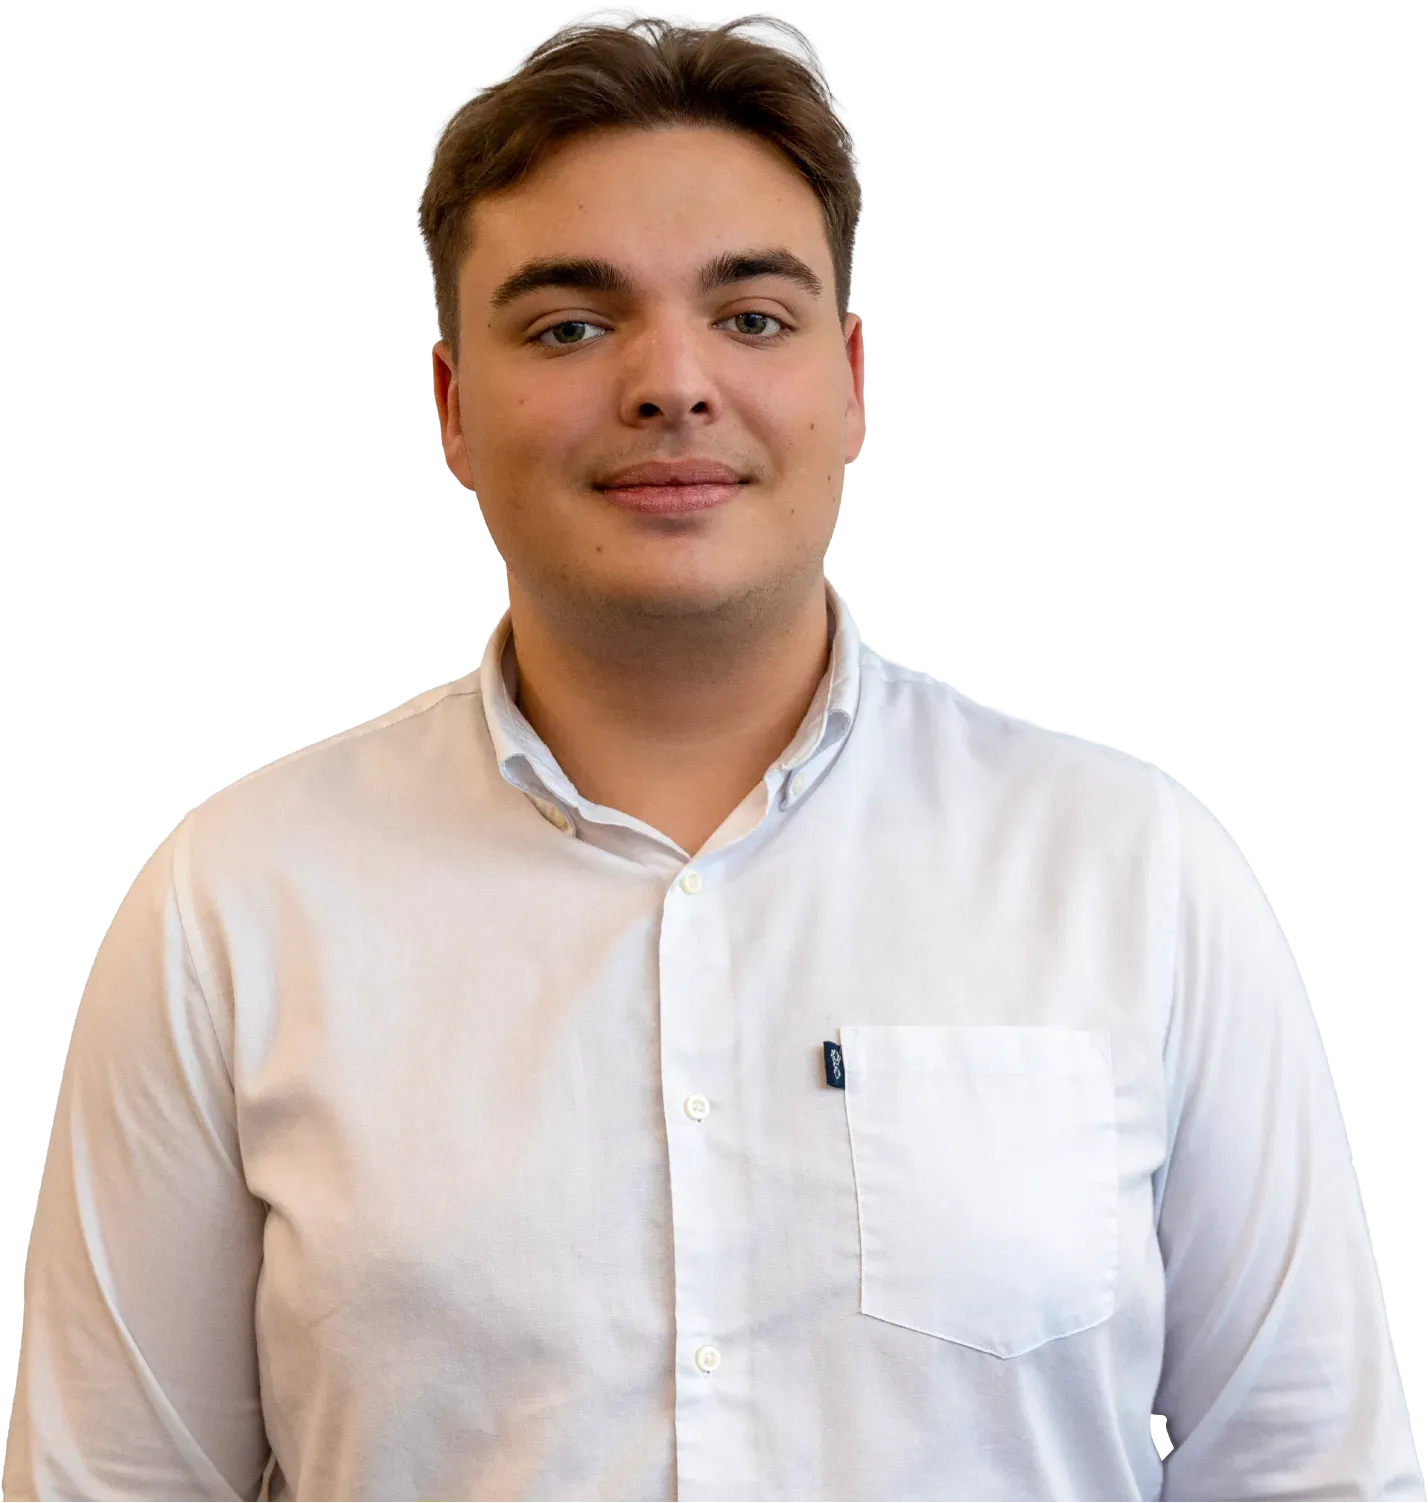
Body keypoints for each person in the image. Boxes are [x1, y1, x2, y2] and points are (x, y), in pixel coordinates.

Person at [5, 13, 1422, 1502]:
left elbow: (1310, 1472)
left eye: (752, 316)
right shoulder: (234, 903)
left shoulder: (1133, 874)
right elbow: (110, 1484)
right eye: (569, 324)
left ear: (852, 381)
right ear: (449, 412)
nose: (673, 382)